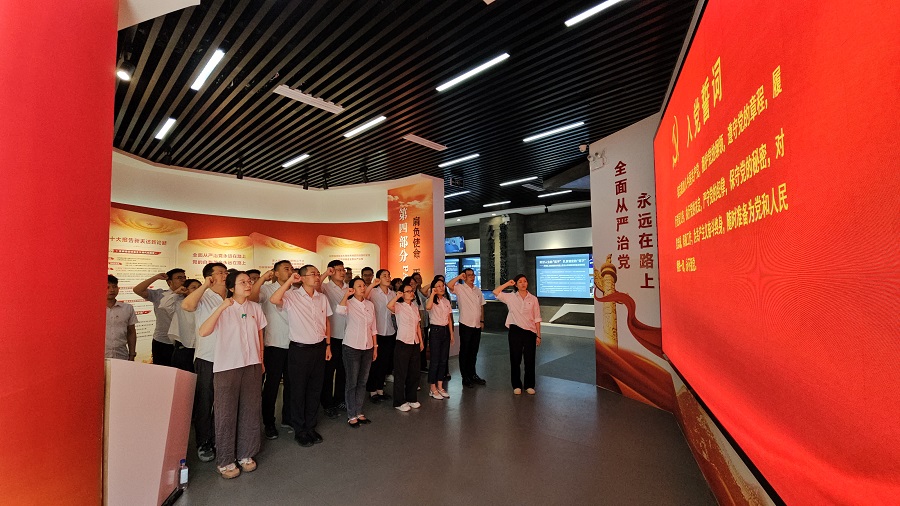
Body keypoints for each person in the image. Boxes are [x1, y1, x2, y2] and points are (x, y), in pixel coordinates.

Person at [198, 271, 266, 479]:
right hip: (227, 367)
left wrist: (261, 360)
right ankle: (226, 459)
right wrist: (221, 307)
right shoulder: (223, 307)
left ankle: (246, 453)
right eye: (242, 282)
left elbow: (259, 335)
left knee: (250, 410)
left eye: (249, 281)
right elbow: (203, 332)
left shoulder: (255, 308)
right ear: (231, 287)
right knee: (225, 413)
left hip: (252, 364)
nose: (248, 284)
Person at [269, 265, 333, 447]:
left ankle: (310, 426)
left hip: (319, 348)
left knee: (315, 389)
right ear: (302, 278)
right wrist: (290, 281)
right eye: (312, 274)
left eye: (318, 273)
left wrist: (328, 345)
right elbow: (274, 299)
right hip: (299, 350)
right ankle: (299, 429)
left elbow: (326, 321)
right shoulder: (292, 296)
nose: (317, 276)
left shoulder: (322, 298)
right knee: (298, 390)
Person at [182, 262, 229, 463]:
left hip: (230, 358)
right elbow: (187, 306)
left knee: (224, 402)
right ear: (210, 276)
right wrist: (204, 286)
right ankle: (203, 442)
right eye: (220, 272)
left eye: (226, 272)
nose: (225, 275)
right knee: (205, 402)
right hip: (208, 357)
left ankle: (220, 438)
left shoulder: (232, 296)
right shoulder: (203, 296)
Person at [252, 261, 294, 440]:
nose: (290, 271)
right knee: (272, 385)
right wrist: (262, 278)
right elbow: (252, 297)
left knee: (292, 384)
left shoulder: (295, 290)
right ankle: (268, 422)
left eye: (291, 269)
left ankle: (288, 418)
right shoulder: (267, 289)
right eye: (286, 269)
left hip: (294, 344)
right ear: (276, 273)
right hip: (274, 345)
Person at [336, 277, 377, 427]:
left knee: (362, 381)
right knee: (352, 382)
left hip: (368, 347)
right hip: (351, 347)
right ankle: (351, 414)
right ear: (352, 288)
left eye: (364, 285)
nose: (363, 287)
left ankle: (359, 411)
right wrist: (346, 295)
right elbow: (339, 311)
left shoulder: (370, 305)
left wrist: (375, 347)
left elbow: (373, 327)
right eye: (359, 286)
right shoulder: (348, 303)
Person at [494, 275, 542, 395]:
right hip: (515, 330)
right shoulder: (510, 297)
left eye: (525, 281)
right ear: (516, 284)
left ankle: (529, 385)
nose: (523, 283)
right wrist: (507, 284)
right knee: (515, 359)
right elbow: (495, 292)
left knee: (530, 360)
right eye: (520, 282)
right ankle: (516, 385)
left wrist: (538, 335)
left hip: (530, 332)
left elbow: (537, 318)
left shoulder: (533, 299)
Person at [133, 268, 187, 366]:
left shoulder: (187, 295)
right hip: (162, 341)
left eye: (184, 277)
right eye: (179, 278)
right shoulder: (160, 294)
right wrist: (155, 277)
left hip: (183, 341)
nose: (183, 280)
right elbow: (137, 290)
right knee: (162, 371)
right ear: (170, 282)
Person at [387, 281, 423, 411]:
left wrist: (421, 341)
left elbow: (417, 325)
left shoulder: (414, 307)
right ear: (402, 294)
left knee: (414, 372)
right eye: (408, 291)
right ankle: (399, 401)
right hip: (403, 342)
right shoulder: (398, 306)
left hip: (414, 342)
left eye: (412, 291)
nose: (411, 293)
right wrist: (397, 296)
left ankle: (411, 398)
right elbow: (389, 306)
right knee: (401, 373)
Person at [447, 269, 486, 388]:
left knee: (474, 351)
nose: (472, 277)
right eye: (469, 275)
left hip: (476, 325)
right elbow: (449, 285)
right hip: (466, 324)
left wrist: (482, 320)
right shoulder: (460, 288)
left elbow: (481, 306)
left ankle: (473, 374)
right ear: (464, 276)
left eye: (473, 275)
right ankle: (465, 377)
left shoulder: (477, 290)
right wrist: (459, 277)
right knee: (465, 351)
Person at [320, 260, 348, 419]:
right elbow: (315, 287)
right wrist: (325, 274)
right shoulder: (325, 287)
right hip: (332, 336)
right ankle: (327, 403)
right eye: (338, 270)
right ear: (331, 271)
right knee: (329, 372)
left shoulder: (348, 287)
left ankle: (339, 399)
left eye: (343, 270)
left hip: (347, 335)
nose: (342, 272)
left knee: (343, 370)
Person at [364, 269, 397, 402]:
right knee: (375, 363)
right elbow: (363, 298)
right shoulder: (373, 292)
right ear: (378, 278)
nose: (388, 278)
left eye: (389, 275)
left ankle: (380, 389)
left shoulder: (393, 293)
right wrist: (373, 284)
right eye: (384, 276)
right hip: (376, 332)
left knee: (385, 362)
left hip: (390, 331)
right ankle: (372, 391)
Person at [163, 278, 202, 372]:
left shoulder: (204, 304)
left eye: (200, 287)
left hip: (200, 347)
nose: (197, 290)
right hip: (183, 347)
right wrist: (177, 292)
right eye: (193, 287)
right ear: (185, 290)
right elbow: (165, 305)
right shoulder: (179, 304)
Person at [425, 278, 453, 400]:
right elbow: (428, 308)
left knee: (443, 360)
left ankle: (440, 386)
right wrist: (432, 294)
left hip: (445, 330)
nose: (441, 288)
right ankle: (432, 388)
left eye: (442, 285)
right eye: (438, 286)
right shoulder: (430, 300)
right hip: (435, 331)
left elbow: (449, 319)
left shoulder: (446, 301)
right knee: (435, 360)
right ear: (434, 288)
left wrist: (451, 334)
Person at [106, 275, 137, 361]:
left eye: (114, 286)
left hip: (121, 355)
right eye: (107, 287)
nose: (112, 290)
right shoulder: (93, 310)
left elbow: (131, 332)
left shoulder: (127, 308)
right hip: (100, 356)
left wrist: (132, 354)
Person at [411, 272, 430, 372]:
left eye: (419, 278)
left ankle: (422, 365)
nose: (418, 281)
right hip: (415, 325)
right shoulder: (413, 293)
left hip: (424, 323)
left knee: (423, 343)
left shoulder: (420, 292)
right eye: (415, 279)